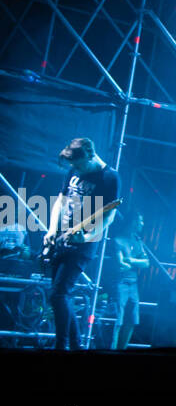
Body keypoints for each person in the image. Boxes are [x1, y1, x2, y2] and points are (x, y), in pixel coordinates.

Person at [44, 137, 119, 350]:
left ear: (90, 155)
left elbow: (109, 216)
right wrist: (52, 229)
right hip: (62, 238)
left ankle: (62, 345)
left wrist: (86, 236)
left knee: (59, 294)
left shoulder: (110, 177)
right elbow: (61, 201)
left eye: (79, 165)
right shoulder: (74, 170)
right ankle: (76, 345)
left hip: (84, 244)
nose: (77, 169)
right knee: (61, 296)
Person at [113, 212, 148, 350]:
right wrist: (134, 262)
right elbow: (121, 264)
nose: (142, 224)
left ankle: (122, 349)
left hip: (133, 284)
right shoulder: (118, 239)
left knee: (132, 320)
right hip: (120, 282)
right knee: (118, 320)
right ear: (133, 221)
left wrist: (131, 260)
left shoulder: (137, 241)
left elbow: (146, 263)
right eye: (140, 221)